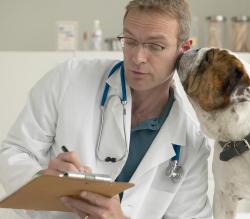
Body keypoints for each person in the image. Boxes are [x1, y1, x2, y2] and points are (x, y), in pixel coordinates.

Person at [0, 0, 212, 218]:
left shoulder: (191, 142)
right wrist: (42, 180)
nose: (137, 58)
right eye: (130, 41)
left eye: (155, 46)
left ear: (184, 50)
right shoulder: (69, 79)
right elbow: (15, 152)